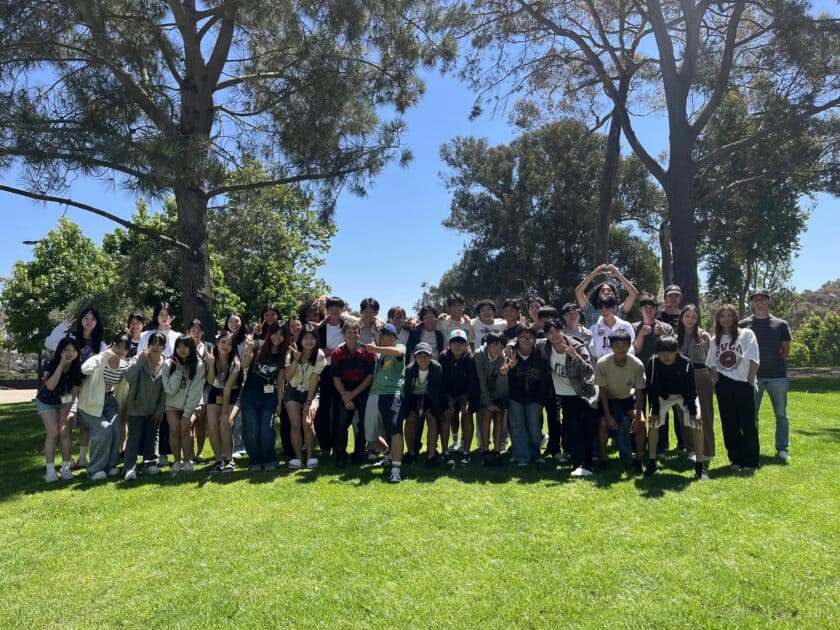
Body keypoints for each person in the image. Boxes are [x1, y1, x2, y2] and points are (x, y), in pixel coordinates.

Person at [45, 307, 108, 469]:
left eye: (92, 319)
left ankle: (82, 457)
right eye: (86, 318)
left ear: (97, 322)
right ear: (81, 321)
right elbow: (50, 343)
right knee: (66, 419)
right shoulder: (71, 338)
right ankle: (67, 458)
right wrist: (64, 325)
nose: (89, 321)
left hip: (89, 388)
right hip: (69, 387)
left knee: (86, 421)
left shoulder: (100, 344)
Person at [643, 336, 708, 480]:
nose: (665, 356)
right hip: (662, 395)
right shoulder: (653, 362)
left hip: (684, 395)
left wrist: (693, 412)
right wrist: (655, 411)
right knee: (653, 423)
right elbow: (652, 388)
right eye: (661, 353)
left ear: (677, 351)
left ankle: (700, 466)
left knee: (697, 424)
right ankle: (652, 463)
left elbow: (690, 389)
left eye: (669, 352)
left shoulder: (686, 363)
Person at [739, 289, 792, 463]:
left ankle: (782, 448)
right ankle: (751, 448)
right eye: (756, 299)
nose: (759, 302)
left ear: (769, 301)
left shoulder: (781, 324)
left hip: (777, 376)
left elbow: (785, 351)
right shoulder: (743, 324)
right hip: (752, 377)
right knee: (751, 415)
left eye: (763, 299)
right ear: (752, 302)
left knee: (781, 414)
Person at [538, 320, 598, 472]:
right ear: (546, 335)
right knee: (570, 428)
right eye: (550, 332)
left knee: (581, 428)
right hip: (560, 394)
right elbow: (522, 339)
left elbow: (589, 371)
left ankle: (585, 462)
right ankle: (576, 461)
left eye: (557, 330)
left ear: (563, 330)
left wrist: (575, 356)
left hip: (580, 393)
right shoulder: (544, 345)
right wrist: (511, 344)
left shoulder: (577, 346)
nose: (554, 335)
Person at [707, 304, 760, 473]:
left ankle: (750, 461)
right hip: (724, 384)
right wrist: (717, 380)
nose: (726, 319)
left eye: (729, 315)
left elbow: (754, 358)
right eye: (722, 316)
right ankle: (736, 459)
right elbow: (712, 363)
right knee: (729, 423)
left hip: (744, 383)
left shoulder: (746, 334)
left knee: (748, 423)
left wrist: (750, 379)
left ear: (735, 317)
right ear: (718, 319)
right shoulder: (714, 340)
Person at [76, 333, 132, 480]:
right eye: (118, 346)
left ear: (127, 351)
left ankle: (110, 466)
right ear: (112, 345)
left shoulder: (124, 366)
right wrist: (104, 355)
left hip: (108, 402)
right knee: (104, 431)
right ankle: (95, 469)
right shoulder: (100, 359)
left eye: (124, 348)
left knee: (116, 430)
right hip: (90, 402)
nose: (120, 350)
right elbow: (85, 369)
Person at [594, 329, 646, 473]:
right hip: (608, 400)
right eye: (617, 345)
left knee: (641, 422)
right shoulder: (603, 363)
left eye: (624, 344)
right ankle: (603, 459)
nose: (621, 348)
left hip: (627, 399)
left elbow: (639, 391)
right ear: (611, 346)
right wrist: (608, 415)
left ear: (630, 345)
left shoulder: (637, 364)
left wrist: (638, 416)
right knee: (603, 423)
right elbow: (602, 391)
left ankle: (639, 459)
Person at [632, 293, 678, 454]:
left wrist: (663, 334)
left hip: (660, 375)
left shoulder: (666, 327)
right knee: (639, 410)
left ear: (657, 309)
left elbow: (674, 348)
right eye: (645, 307)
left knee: (660, 410)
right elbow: (634, 350)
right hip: (639, 374)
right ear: (640, 310)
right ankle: (638, 445)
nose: (648, 310)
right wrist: (641, 335)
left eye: (652, 307)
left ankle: (661, 446)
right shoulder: (634, 327)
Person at [500, 326, 550, 467]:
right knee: (517, 426)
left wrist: (542, 400)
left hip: (534, 397)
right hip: (515, 396)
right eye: (522, 337)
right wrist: (509, 369)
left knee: (534, 426)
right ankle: (521, 456)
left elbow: (544, 380)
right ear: (517, 338)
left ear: (535, 339)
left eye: (530, 337)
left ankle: (534, 453)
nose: (526, 340)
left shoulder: (540, 355)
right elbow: (504, 375)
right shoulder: (510, 354)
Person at [240, 322, 286, 471]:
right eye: (274, 333)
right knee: (251, 429)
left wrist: (279, 403)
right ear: (269, 333)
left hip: (270, 397)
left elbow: (280, 381)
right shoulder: (257, 345)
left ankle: (269, 459)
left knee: (266, 428)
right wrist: (248, 349)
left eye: (281, 334)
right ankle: (255, 460)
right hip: (250, 394)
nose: (277, 337)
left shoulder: (284, 354)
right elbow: (244, 365)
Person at [363, 323, 407, 483]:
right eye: (383, 334)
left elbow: (399, 352)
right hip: (374, 394)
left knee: (395, 430)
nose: (385, 337)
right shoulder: (379, 355)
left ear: (395, 337)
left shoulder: (399, 347)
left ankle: (396, 469)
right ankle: (389, 455)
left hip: (393, 393)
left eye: (389, 334)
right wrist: (376, 349)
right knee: (371, 435)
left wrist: (376, 349)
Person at [36, 336, 82, 482]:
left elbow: (73, 393)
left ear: (77, 352)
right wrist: (61, 366)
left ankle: (65, 468)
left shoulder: (78, 368)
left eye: (73, 350)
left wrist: (65, 415)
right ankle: (50, 471)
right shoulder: (50, 363)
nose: (70, 353)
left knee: (64, 431)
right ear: (60, 351)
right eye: (66, 350)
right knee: (54, 433)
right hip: (46, 401)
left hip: (65, 401)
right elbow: (50, 386)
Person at [122, 332, 167, 480]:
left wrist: (160, 410)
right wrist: (141, 359)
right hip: (136, 407)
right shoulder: (139, 359)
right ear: (147, 345)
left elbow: (165, 390)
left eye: (159, 344)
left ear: (164, 347)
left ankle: (150, 463)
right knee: (134, 437)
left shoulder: (166, 364)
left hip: (154, 408)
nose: (155, 347)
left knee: (152, 436)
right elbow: (128, 376)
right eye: (153, 343)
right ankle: (129, 467)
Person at [330, 321, 375, 468]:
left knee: (363, 425)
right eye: (349, 332)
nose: (352, 335)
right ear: (344, 334)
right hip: (344, 392)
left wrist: (353, 395)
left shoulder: (368, 352)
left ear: (359, 334)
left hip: (362, 392)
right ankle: (340, 456)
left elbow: (370, 377)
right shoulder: (337, 353)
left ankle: (359, 455)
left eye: (355, 332)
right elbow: (336, 378)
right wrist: (346, 397)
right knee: (341, 425)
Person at [676, 305, 715, 463]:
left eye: (693, 317)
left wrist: (714, 378)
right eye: (687, 316)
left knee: (704, 413)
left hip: (701, 375)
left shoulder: (704, 335)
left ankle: (708, 450)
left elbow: (712, 359)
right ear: (681, 318)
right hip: (681, 377)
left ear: (697, 319)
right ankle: (691, 448)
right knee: (683, 413)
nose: (690, 319)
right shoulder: (676, 336)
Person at [284, 325, 326, 469]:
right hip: (293, 391)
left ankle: (310, 457)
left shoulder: (320, 355)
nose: (309, 341)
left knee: (307, 423)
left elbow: (314, 380)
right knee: (295, 423)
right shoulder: (292, 352)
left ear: (317, 340)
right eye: (306, 338)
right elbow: (287, 377)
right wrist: (295, 360)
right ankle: (298, 458)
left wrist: (308, 402)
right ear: (300, 339)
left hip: (311, 392)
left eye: (312, 338)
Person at [162, 335, 206, 472]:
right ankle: (177, 461)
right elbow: (169, 390)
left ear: (191, 348)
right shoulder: (168, 364)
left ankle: (187, 461)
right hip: (172, 404)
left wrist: (186, 415)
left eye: (185, 346)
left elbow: (195, 392)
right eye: (179, 346)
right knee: (174, 429)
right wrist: (178, 372)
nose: (182, 349)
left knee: (186, 427)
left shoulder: (199, 365)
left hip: (191, 404)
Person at [439, 329, 481, 464]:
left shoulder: (470, 358)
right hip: (448, 392)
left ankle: (466, 452)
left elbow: (473, 383)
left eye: (461, 343)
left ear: (466, 344)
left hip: (464, 393)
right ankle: (445, 451)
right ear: (449, 344)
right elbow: (441, 382)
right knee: (447, 415)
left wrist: (470, 403)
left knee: (467, 414)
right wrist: (445, 404)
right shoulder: (443, 357)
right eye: (454, 342)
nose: (457, 346)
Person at [204, 331, 242, 473]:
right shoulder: (211, 357)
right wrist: (211, 365)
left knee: (225, 424)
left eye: (229, 344)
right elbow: (210, 381)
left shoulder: (235, 362)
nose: (225, 346)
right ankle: (218, 460)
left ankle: (229, 460)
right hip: (215, 391)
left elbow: (227, 388)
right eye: (223, 342)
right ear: (217, 343)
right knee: (212, 426)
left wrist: (225, 412)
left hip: (233, 393)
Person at [401, 342, 444, 466]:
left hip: (430, 398)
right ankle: (410, 452)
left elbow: (436, 391)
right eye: (419, 356)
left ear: (431, 357)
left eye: (426, 356)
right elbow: (407, 393)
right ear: (415, 357)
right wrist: (409, 411)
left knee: (432, 419)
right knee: (410, 420)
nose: (423, 359)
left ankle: (431, 455)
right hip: (414, 398)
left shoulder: (436, 368)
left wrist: (432, 409)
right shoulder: (409, 370)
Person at [314, 296, 346, 456]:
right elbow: (316, 347)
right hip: (324, 370)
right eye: (331, 307)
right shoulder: (320, 328)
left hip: (343, 371)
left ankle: (338, 445)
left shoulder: (347, 325)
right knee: (324, 409)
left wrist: (330, 351)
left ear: (342, 309)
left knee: (340, 409)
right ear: (327, 310)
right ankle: (325, 446)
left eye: (337, 307)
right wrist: (331, 351)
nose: (334, 310)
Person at [473, 332, 509, 466]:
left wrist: (503, 374)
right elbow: (481, 380)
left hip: (498, 393)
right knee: (487, 414)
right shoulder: (479, 354)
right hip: (482, 392)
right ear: (488, 345)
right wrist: (487, 402)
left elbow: (503, 388)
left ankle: (497, 451)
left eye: (501, 346)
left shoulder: (504, 358)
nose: (498, 349)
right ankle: (485, 450)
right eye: (494, 345)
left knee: (499, 414)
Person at [588, 296, 636, 365]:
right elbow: (596, 353)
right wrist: (599, 337)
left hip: (624, 366)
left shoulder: (626, 326)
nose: (604, 311)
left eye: (607, 308)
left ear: (615, 308)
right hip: (604, 367)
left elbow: (630, 349)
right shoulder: (594, 328)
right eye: (601, 308)